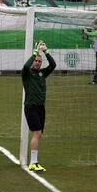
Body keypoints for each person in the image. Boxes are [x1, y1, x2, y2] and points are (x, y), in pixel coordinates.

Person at [22, 40, 56, 172]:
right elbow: (26, 65)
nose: (37, 62)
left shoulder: (42, 74)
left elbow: (53, 64)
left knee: (38, 134)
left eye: (39, 61)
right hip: (30, 106)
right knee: (36, 133)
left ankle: (34, 161)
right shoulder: (27, 73)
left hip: (41, 107)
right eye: (36, 60)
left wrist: (45, 51)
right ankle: (33, 162)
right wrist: (36, 51)